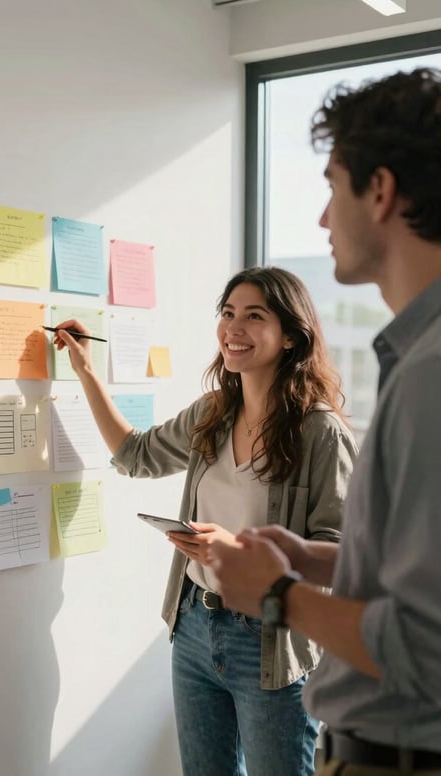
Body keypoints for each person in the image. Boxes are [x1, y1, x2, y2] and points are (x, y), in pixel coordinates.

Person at [211, 67, 441, 776]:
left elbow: (425, 649)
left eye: (331, 187)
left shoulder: (430, 372)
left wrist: (279, 595)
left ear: (379, 191)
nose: (320, 219)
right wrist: (320, 562)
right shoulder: (415, 356)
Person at [53, 265, 358, 776]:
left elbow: (341, 550)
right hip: (194, 625)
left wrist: (238, 551)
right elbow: (136, 454)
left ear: (289, 336)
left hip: (271, 641)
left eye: (254, 316)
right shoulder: (214, 411)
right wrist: (85, 370)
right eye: (227, 313)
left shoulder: (319, 430)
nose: (233, 329)